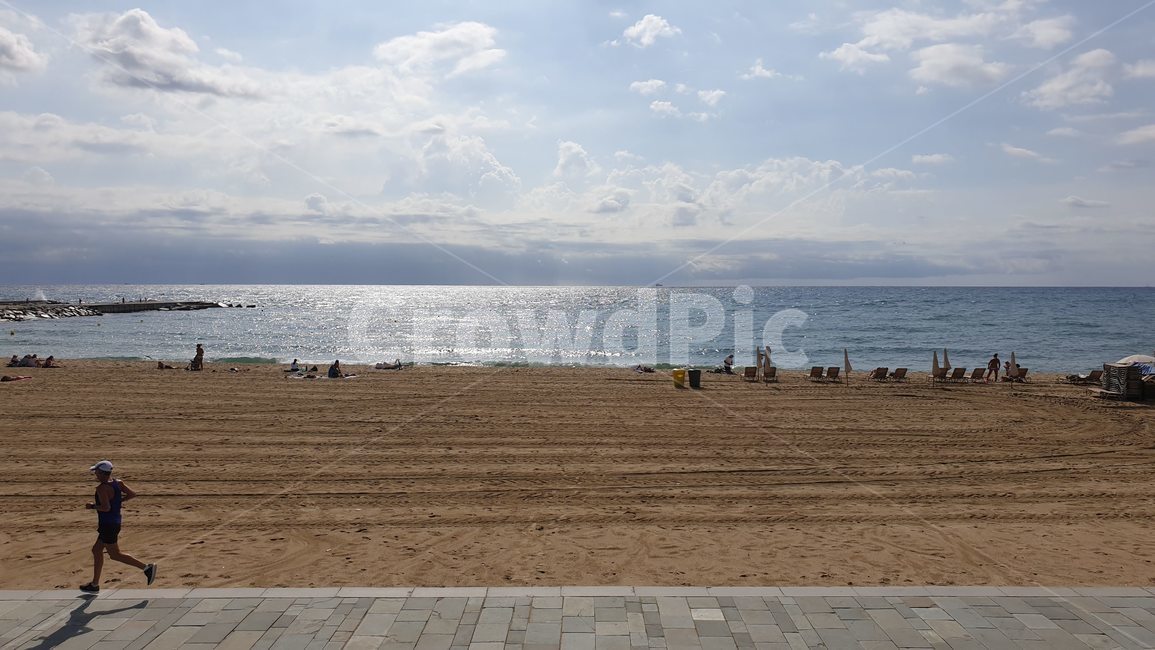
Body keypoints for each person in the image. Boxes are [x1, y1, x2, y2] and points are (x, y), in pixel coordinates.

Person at [79, 460, 156, 593]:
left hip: (107, 525)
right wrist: (119, 501)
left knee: (115, 554)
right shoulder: (118, 483)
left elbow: (105, 507)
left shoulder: (102, 488)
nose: (95, 475)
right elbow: (132, 494)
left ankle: (146, 568)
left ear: (103, 473)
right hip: (114, 522)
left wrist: (91, 506)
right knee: (96, 550)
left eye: (97, 472)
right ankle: (94, 584)